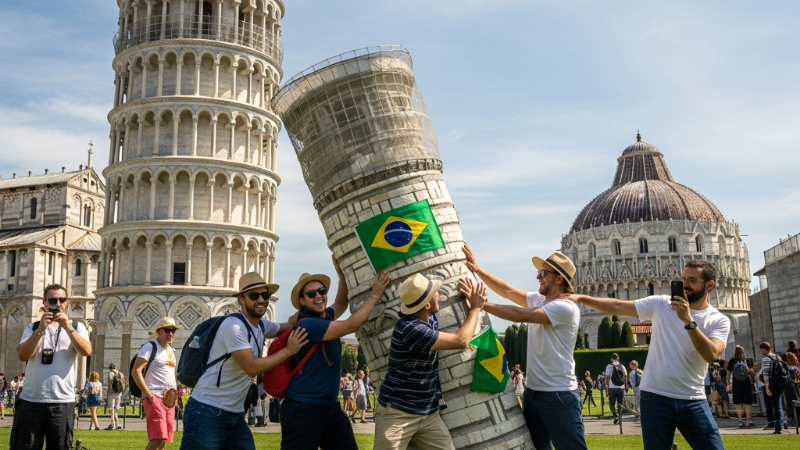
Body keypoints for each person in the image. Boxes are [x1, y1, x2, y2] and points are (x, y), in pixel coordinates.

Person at [567, 260, 730, 450]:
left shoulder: (718, 320)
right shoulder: (661, 304)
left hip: (693, 398)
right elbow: (618, 306)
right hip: (655, 397)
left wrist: (688, 320)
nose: (685, 284)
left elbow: (711, 354)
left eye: (692, 280)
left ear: (709, 285)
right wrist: (580, 298)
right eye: (683, 278)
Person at [464, 245, 588, 450]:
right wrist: (477, 269)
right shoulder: (542, 300)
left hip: (558, 396)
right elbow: (508, 291)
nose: (538, 277)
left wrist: (480, 305)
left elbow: (519, 315)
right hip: (533, 394)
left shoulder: (566, 308)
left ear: (559, 278)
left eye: (543, 273)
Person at [179, 272, 308, 450]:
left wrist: (307, 299)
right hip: (207, 411)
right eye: (254, 295)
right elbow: (251, 367)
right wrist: (290, 350)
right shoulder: (233, 327)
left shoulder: (261, 325)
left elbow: (293, 324)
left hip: (235, 414)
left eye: (265, 295)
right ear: (241, 299)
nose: (261, 300)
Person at [280, 257, 390, 450]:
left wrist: (341, 275)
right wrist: (375, 295)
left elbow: (340, 302)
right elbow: (352, 324)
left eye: (322, 291)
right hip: (304, 409)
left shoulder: (324, 316)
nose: (319, 296)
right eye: (312, 293)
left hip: (329, 408)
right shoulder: (309, 324)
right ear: (302, 301)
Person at [373, 274, 487, 450]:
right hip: (397, 414)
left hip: (428, 414)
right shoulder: (410, 329)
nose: (438, 295)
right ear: (426, 304)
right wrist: (476, 309)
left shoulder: (428, 317)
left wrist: (466, 301)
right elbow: (460, 341)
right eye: (435, 293)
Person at [11, 283, 92, 450]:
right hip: (31, 400)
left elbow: (86, 351)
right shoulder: (32, 327)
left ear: (66, 302)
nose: (58, 303)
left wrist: (68, 328)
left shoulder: (77, 327)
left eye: (62, 299)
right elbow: (22, 355)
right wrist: (41, 329)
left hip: (62, 401)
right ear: (44, 303)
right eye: (53, 299)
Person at [132, 317, 181, 450]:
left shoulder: (171, 350)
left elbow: (171, 375)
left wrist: (174, 395)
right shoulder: (150, 347)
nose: (170, 334)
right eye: (167, 330)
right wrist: (149, 395)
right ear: (159, 331)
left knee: (164, 438)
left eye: (173, 331)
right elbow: (136, 371)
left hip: (169, 399)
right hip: (155, 396)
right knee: (158, 436)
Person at [726, 345, 755, 428]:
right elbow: (752, 372)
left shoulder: (732, 361)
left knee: (738, 403)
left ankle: (740, 421)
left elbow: (728, 374)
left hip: (736, 383)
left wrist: (728, 384)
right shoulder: (747, 360)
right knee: (747, 403)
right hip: (746, 383)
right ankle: (749, 420)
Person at [760, 342, 785, 433]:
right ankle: (781, 423)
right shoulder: (778, 357)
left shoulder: (766, 359)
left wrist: (767, 387)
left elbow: (766, 374)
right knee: (779, 403)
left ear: (764, 349)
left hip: (771, 383)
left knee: (772, 404)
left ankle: (774, 424)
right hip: (779, 383)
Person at [605, 353, 628, 424]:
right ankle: (620, 418)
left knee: (611, 403)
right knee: (620, 404)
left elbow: (607, 377)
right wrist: (625, 385)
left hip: (612, 387)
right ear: (618, 358)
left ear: (611, 359)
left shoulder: (609, 366)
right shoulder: (622, 366)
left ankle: (616, 415)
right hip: (621, 387)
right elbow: (626, 376)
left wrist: (607, 386)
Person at [106, 363, 124, 430]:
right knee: (116, 409)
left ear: (110, 368)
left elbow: (110, 382)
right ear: (115, 367)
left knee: (111, 408)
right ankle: (117, 424)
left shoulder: (111, 373)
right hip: (119, 393)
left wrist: (108, 390)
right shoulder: (120, 373)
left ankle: (112, 424)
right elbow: (123, 381)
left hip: (112, 392)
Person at [783, 351, 799, 426]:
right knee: (792, 402)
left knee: (792, 402)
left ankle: (792, 418)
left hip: (792, 386)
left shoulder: (791, 367)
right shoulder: (790, 368)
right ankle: (791, 418)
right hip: (791, 387)